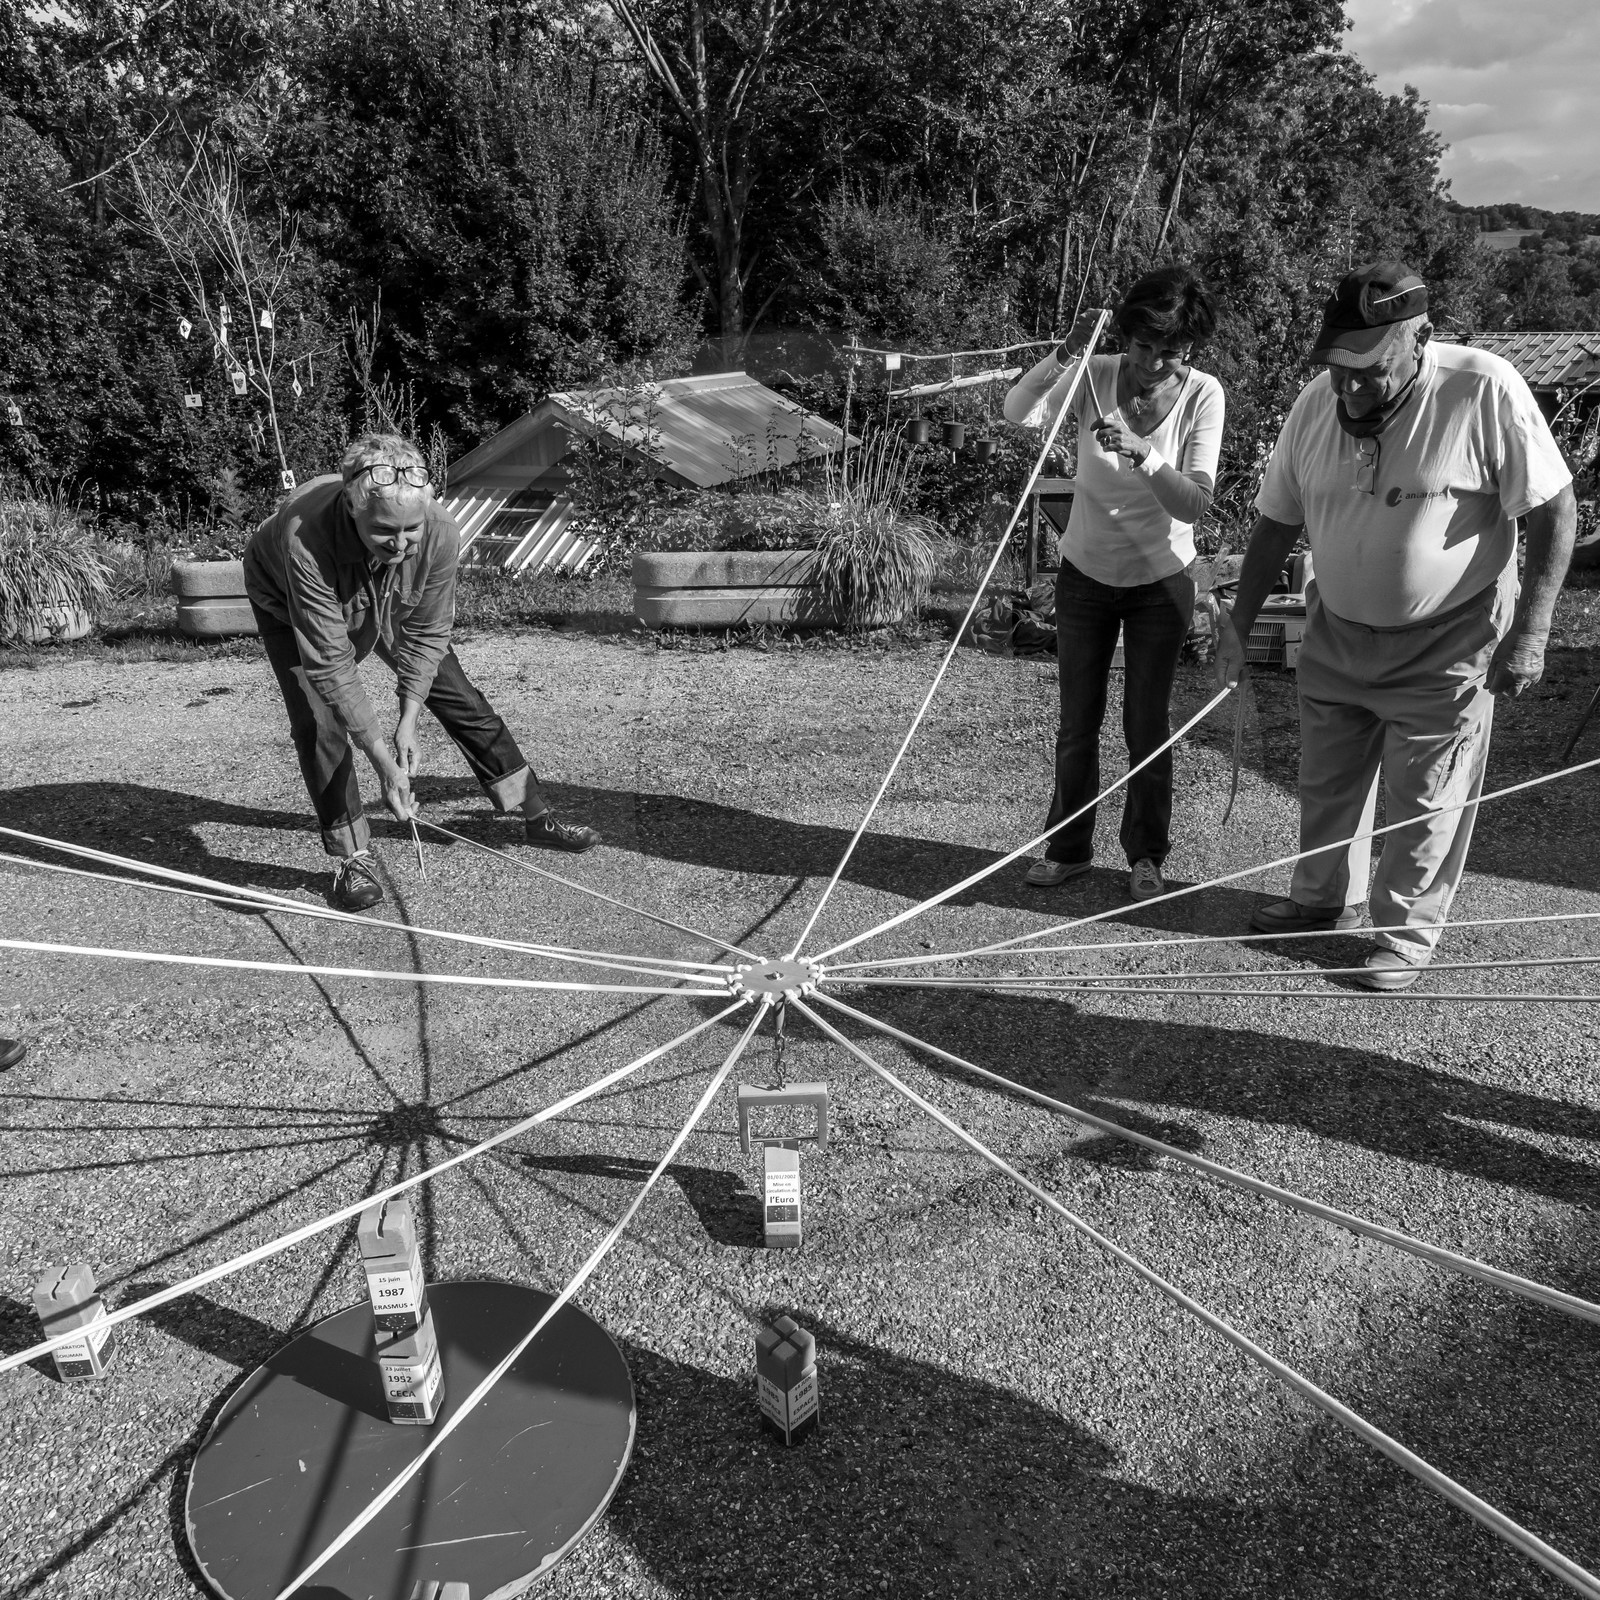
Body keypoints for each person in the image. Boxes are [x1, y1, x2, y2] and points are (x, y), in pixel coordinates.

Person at [1217, 261, 1575, 989]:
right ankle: (1323, 900)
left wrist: (1532, 631)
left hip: (1450, 637)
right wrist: (1237, 620)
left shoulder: (1483, 388)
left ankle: (1405, 935)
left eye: (1368, 371)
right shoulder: (1319, 403)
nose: (1348, 387)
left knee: (1427, 792)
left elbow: (1555, 509)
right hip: (1338, 630)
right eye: (1337, 367)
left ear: (1422, 339)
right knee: (1326, 780)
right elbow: (1275, 523)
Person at [244, 432, 600, 912]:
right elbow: (331, 662)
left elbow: (430, 632)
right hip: (286, 601)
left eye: (411, 529)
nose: (401, 543)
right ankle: (354, 858)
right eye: (386, 531)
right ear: (353, 509)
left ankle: (535, 813)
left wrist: (408, 718)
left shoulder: (439, 530)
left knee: (457, 694)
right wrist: (383, 761)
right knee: (318, 723)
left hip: (395, 601)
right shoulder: (303, 539)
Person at [1004, 266, 1225, 901]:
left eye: (1172, 353)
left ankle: (1146, 856)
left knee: (1146, 724)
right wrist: (1065, 353)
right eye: (1144, 346)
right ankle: (1069, 849)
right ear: (1127, 334)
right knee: (1078, 720)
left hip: (1161, 581)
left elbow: (1194, 504)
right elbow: (1017, 413)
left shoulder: (1203, 394)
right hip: (1086, 575)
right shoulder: (1095, 374)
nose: (1155, 363)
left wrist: (1143, 451)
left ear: (1190, 352)